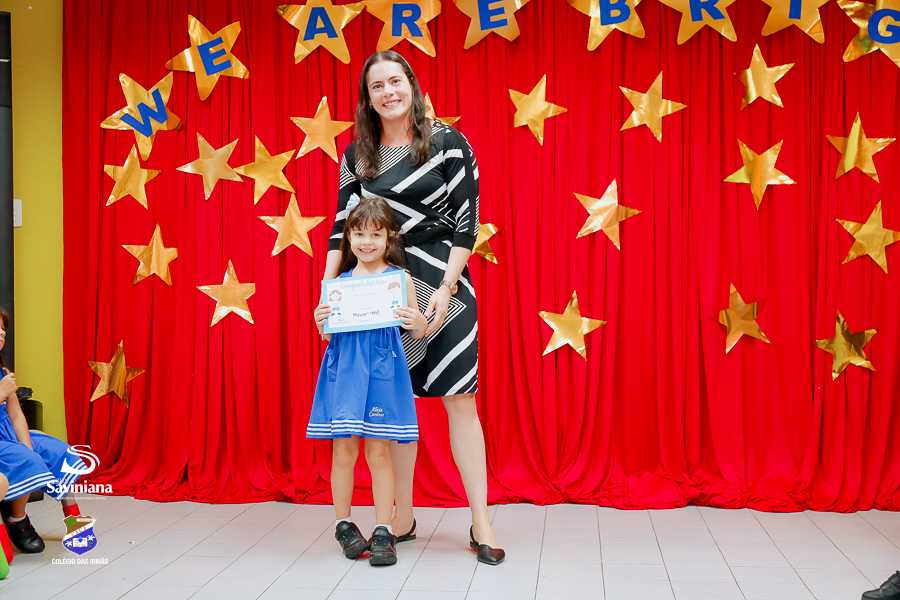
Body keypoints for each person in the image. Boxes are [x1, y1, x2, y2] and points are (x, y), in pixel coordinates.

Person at [319, 49, 504, 565]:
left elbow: (467, 222)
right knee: (395, 408)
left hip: (445, 282)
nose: (389, 92)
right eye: (377, 86)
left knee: (460, 401)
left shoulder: (448, 142)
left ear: (413, 86)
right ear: (367, 97)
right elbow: (341, 226)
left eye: (396, 81)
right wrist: (327, 295)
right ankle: (401, 517)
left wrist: (445, 289)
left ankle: (482, 522)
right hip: (383, 290)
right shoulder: (358, 153)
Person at [309, 197, 427, 567]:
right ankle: (343, 524)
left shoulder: (399, 280)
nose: (366, 242)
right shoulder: (338, 285)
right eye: (359, 234)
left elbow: (418, 329)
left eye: (375, 234)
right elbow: (327, 335)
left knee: (379, 452)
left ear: (389, 237)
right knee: (343, 450)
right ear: (348, 237)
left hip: (382, 372)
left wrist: (418, 322)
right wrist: (321, 321)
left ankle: (383, 529)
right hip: (345, 371)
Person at [0, 308, 84, 553]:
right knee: (27, 460)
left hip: (8, 433)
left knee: (60, 453)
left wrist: (26, 443)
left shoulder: (4, 374)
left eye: (3, 331)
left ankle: (74, 520)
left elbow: (16, 415)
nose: (1, 335)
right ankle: (17, 518)